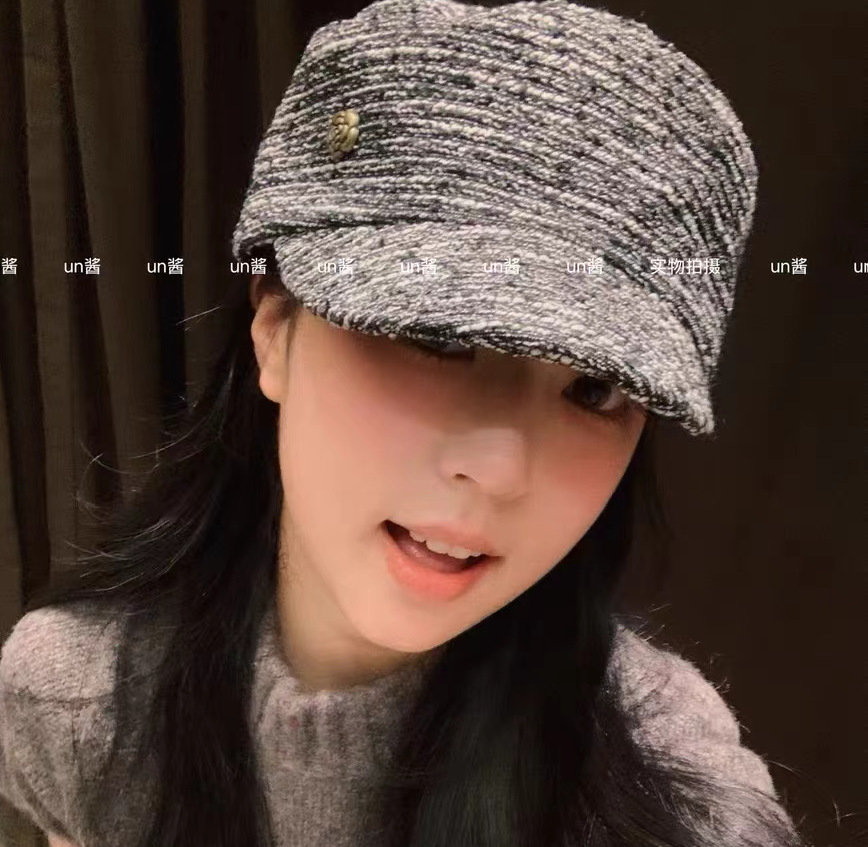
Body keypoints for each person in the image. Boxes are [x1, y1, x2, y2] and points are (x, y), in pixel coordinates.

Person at [0, 1, 809, 845]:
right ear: (274, 326)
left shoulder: (677, 789)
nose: (500, 469)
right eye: (436, 339)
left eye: (597, 389)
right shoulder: (76, 706)